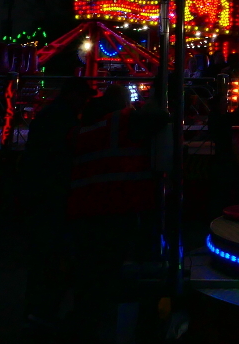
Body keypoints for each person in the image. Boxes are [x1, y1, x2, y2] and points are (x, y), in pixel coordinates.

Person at [67, 88, 170, 343]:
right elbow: (160, 116)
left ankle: (84, 327)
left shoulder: (82, 131)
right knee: (122, 274)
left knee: (89, 276)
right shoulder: (121, 122)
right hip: (117, 207)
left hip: (84, 211)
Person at [19, 77, 94, 328]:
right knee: (53, 252)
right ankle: (43, 310)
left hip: (45, 189)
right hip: (53, 191)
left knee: (46, 252)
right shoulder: (64, 119)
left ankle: (39, 308)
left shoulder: (52, 114)